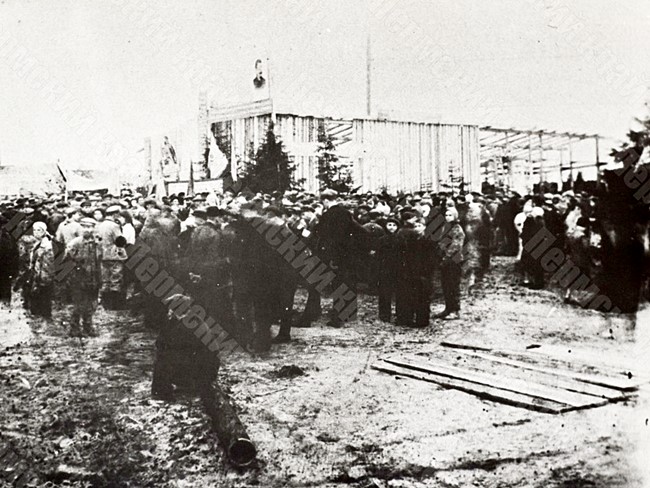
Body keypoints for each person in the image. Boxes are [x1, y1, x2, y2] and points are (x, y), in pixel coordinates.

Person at [65, 217, 103, 337]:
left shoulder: (97, 244)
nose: (87, 230)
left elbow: (99, 261)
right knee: (79, 304)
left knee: (91, 304)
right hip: (79, 279)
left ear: (94, 228)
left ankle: (88, 327)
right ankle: (74, 328)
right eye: (84, 227)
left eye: (90, 227)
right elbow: (66, 261)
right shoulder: (75, 243)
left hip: (93, 278)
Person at [395, 218, 435, 327]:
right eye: (415, 226)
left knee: (422, 297)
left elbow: (432, 259)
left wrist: (425, 271)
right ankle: (408, 318)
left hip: (423, 273)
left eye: (419, 226)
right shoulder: (412, 240)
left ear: (425, 227)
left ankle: (422, 321)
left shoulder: (429, 240)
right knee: (412, 295)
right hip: (412, 272)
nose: (417, 229)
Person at [435, 207, 465, 320]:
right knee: (446, 285)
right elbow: (443, 242)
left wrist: (446, 256)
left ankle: (455, 310)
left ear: (455, 216)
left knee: (453, 285)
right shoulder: (446, 227)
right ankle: (448, 308)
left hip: (453, 260)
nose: (448, 217)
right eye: (446, 215)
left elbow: (456, 245)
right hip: (445, 260)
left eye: (450, 215)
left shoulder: (457, 228)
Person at [26, 221, 55, 320]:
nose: (36, 232)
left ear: (44, 231)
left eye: (39, 230)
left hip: (43, 275)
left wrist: (44, 277)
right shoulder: (38, 243)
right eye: (34, 230)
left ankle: (45, 315)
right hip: (37, 273)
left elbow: (48, 265)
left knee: (44, 294)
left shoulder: (47, 246)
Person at [377, 218, 400, 322]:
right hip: (384, 269)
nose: (391, 227)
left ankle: (400, 313)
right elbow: (377, 255)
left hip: (397, 268)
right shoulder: (382, 239)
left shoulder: (400, 239)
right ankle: (384, 314)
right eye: (389, 225)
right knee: (385, 292)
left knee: (399, 292)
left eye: (394, 225)